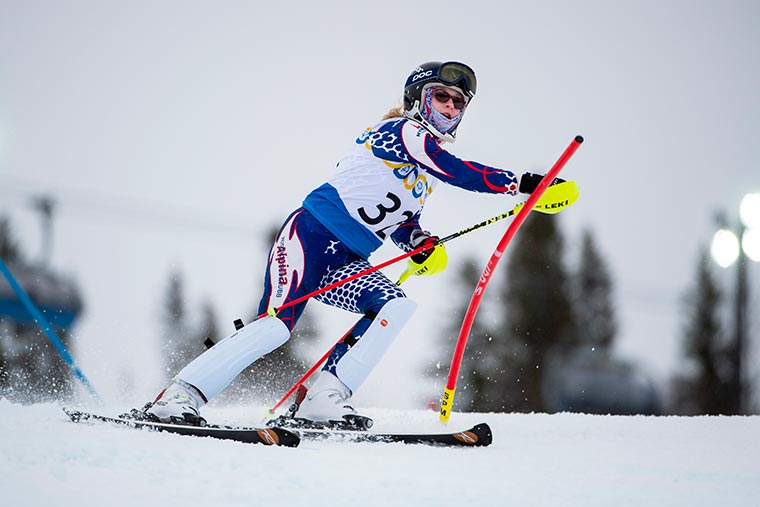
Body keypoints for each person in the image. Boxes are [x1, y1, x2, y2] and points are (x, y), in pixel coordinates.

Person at [143, 61, 557, 426]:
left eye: (458, 103)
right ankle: (180, 396)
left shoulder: (422, 174)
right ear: (418, 99)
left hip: (347, 258)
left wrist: (417, 239)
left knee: (395, 305)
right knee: (275, 328)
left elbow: (401, 219)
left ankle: (325, 400)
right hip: (309, 235)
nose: (450, 107)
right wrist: (521, 184)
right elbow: (455, 169)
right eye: (441, 97)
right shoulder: (402, 132)